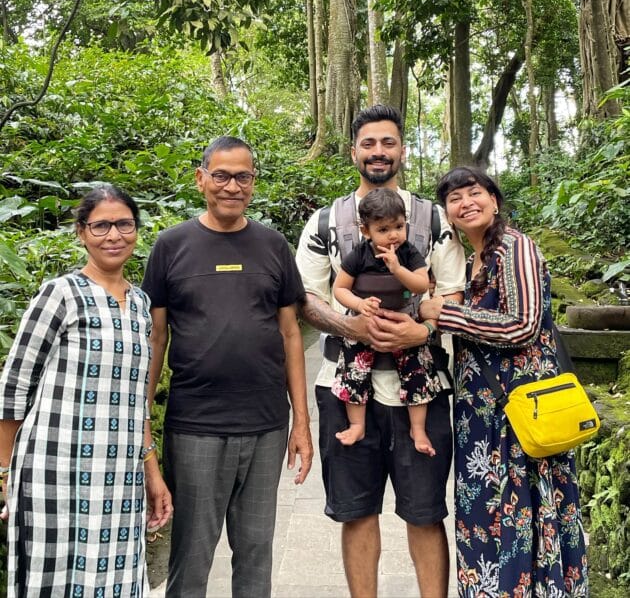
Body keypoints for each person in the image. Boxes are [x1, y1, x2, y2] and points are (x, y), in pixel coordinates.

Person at [295, 104, 465, 598]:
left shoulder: (432, 219)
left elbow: (452, 291)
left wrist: (423, 332)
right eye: (368, 143)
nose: (378, 152)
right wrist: (353, 325)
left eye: (387, 142)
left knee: (426, 511)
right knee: (356, 509)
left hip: (423, 383)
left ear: (402, 151)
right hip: (345, 382)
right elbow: (308, 296)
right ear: (353, 152)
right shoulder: (326, 222)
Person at [142, 136, 313, 598]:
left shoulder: (273, 246)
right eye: (221, 175)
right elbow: (156, 338)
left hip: (266, 425)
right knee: (193, 553)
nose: (231, 186)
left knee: (256, 552)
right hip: (195, 424)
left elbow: (291, 333)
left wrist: (301, 421)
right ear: (201, 179)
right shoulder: (170, 246)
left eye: (243, 176)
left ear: (253, 183)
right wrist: (141, 421)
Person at [421, 166, 588, 596]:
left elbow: (522, 325)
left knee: (529, 509)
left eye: (474, 192)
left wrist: (445, 314)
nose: (466, 203)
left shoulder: (516, 248)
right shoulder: (467, 259)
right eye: (454, 199)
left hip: (521, 410)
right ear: (448, 213)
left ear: (494, 200)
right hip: (481, 416)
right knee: (485, 513)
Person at [0, 185, 172, 598]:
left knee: (114, 580)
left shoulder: (141, 306)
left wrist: (153, 474)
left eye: (124, 224)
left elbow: (136, 401)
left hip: (118, 477)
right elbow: (14, 385)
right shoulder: (60, 294)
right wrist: (3, 471)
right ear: (81, 233)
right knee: (54, 578)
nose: (114, 235)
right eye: (101, 226)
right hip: (53, 472)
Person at [332, 187, 442, 455]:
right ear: (366, 230)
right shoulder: (359, 254)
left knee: (418, 372)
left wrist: (397, 269)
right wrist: (359, 305)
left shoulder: (407, 252)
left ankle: (418, 429)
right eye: (383, 229)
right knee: (353, 372)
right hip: (364, 323)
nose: (393, 234)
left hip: (403, 322)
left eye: (399, 226)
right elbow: (340, 288)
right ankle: (357, 425)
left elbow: (420, 285)